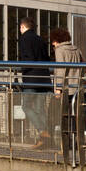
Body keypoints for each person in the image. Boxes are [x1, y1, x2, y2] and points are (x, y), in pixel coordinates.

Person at [50, 27, 86, 166]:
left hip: (66, 89)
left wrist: (58, 88)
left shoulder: (60, 51)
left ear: (56, 40)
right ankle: (76, 143)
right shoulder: (76, 49)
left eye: (53, 41)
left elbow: (60, 69)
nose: (52, 44)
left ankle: (67, 146)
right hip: (77, 87)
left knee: (63, 116)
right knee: (76, 117)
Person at [17, 17, 52, 147]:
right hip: (43, 79)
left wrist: (23, 70)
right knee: (40, 109)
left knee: (26, 106)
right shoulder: (40, 39)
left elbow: (28, 58)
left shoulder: (24, 39)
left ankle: (42, 131)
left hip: (31, 79)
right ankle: (44, 141)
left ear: (22, 27)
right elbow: (47, 59)